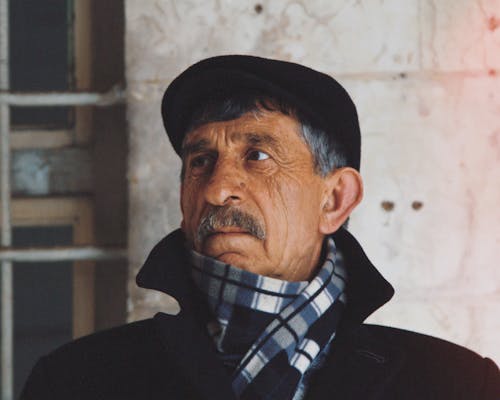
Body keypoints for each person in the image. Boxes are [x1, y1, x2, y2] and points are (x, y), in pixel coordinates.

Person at [21, 55, 500, 399]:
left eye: (258, 156)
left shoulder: (457, 385)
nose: (215, 190)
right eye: (200, 161)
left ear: (334, 199)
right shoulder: (75, 381)